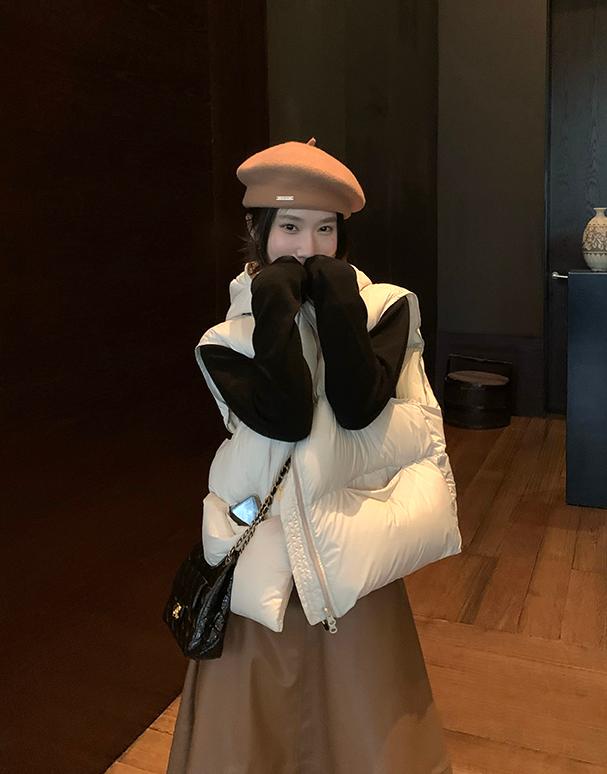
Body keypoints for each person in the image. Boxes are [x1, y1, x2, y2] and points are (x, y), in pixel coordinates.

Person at [167, 138, 460, 774]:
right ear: (259, 233)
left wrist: (338, 305)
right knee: (252, 732)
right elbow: (288, 416)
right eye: (290, 227)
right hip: (264, 558)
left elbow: (359, 406)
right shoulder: (225, 340)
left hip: (349, 555)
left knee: (366, 717)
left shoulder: (385, 311)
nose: (307, 248)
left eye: (325, 230)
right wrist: (275, 304)